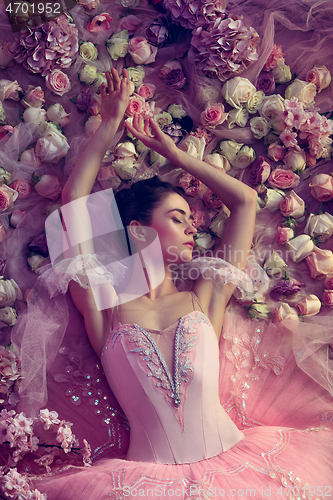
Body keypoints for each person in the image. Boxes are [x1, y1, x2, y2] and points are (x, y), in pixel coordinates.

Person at [28, 67, 333, 499]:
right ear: (137, 231)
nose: (192, 229)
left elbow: (245, 201)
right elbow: (73, 205)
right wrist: (109, 125)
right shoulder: (106, 306)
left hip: (244, 473)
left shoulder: (204, 297)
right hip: (142, 484)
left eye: (191, 220)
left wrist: (176, 155)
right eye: (178, 218)